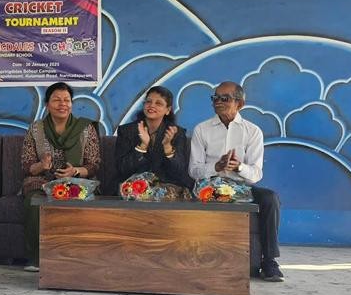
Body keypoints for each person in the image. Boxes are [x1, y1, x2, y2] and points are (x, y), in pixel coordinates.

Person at [188, 81, 283, 282]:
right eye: (215, 98)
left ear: (240, 104)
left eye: (225, 98)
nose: (218, 102)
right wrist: (216, 167)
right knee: (207, 196)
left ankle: (269, 262)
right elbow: (194, 171)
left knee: (270, 198)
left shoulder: (252, 131)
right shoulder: (202, 129)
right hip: (209, 188)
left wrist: (238, 167)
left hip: (241, 188)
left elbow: (256, 174)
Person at [19, 82, 101, 272]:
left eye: (67, 100)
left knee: (83, 199)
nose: (62, 104)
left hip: (76, 182)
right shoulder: (36, 129)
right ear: (47, 104)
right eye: (57, 100)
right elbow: (26, 165)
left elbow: (94, 164)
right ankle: (36, 259)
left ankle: (77, 259)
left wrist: (75, 171)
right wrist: (41, 165)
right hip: (43, 182)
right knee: (33, 200)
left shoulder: (86, 128)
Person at [113, 85, 194, 197]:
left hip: (166, 190)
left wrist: (167, 147)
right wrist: (142, 146)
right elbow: (122, 169)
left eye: (158, 103)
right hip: (134, 188)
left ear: (168, 110)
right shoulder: (127, 131)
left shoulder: (176, 133)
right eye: (148, 102)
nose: (152, 105)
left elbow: (179, 172)